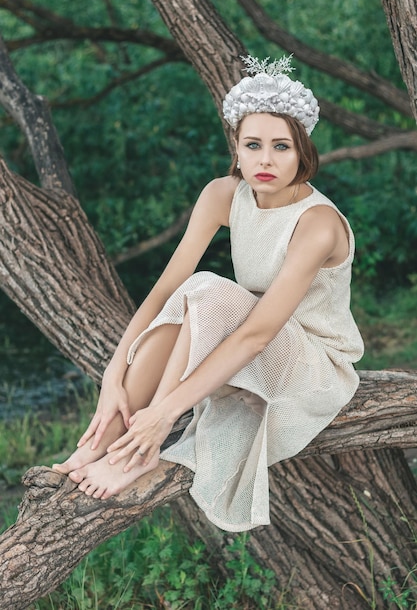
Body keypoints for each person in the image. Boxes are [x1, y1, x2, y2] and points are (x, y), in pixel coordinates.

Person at [54, 54, 364, 532]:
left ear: (303, 152)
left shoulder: (317, 223)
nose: (265, 160)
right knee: (188, 294)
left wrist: (166, 413)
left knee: (206, 287)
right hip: (253, 339)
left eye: (281, 147)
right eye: (253, 145)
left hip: (312, 363)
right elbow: (163, 292)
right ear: (235, 149)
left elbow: (258, 333)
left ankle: (141, 447)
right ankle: (109, 436)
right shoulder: (223, 194)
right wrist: (113, 376)